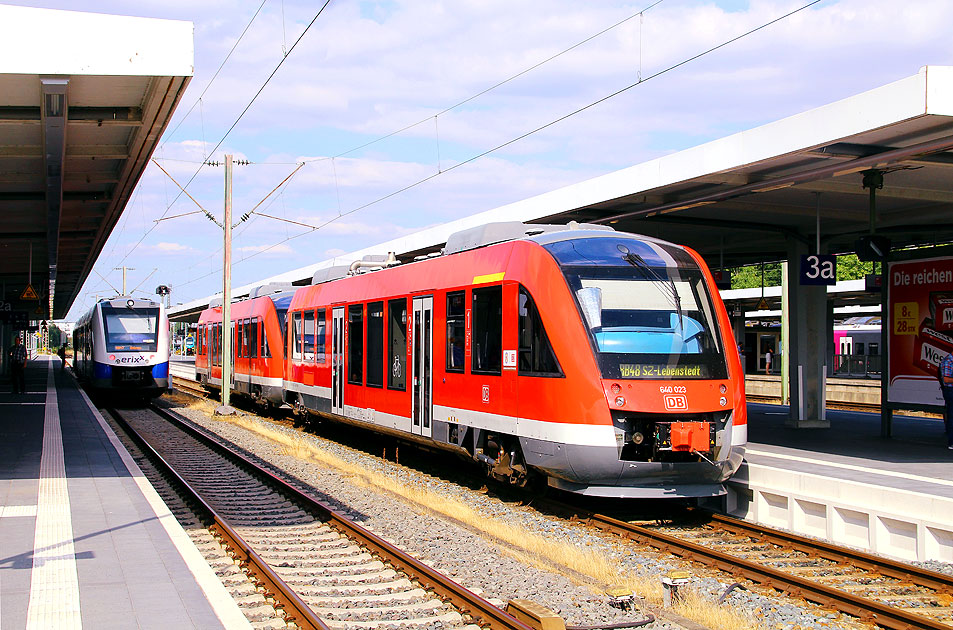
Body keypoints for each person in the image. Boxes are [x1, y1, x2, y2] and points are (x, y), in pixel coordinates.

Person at [939, 351, 953, 450]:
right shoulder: (948, 361)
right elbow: (946, 379)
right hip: (951, 390)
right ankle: (951, 442)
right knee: (952, 416)